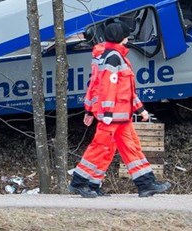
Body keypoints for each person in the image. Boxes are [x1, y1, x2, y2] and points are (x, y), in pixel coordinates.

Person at [69, 22, 171, 198]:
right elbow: (107, 87)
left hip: (121, 116)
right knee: (101, 148)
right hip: (113, 115)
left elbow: (126, 91)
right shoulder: (113, 58)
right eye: (126, 35)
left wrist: (140, 110)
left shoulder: (114, 56)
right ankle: (80, 182)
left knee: (131, 148)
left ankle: (145, 184)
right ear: (121, 37)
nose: (128, 37)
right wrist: (106, 113)